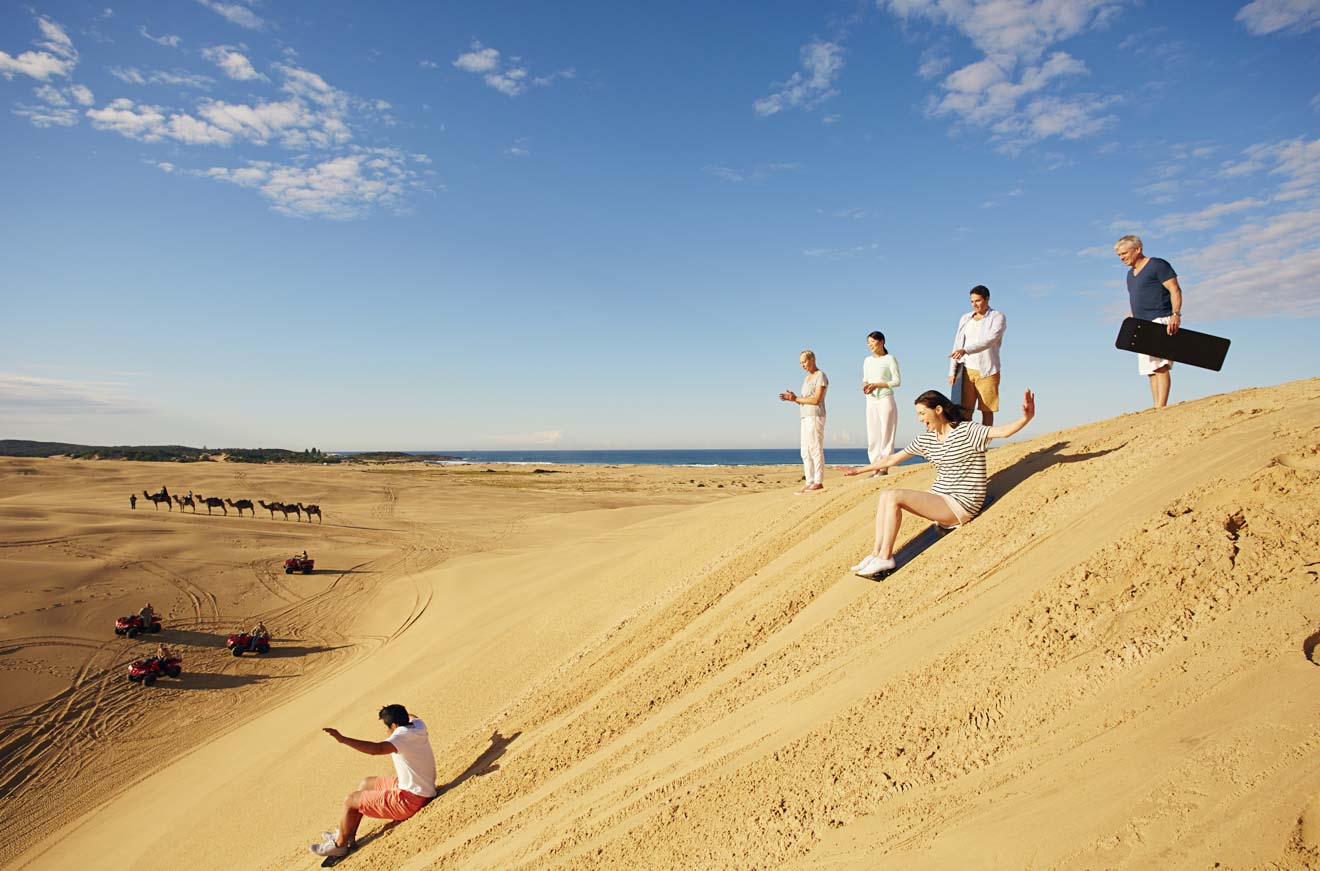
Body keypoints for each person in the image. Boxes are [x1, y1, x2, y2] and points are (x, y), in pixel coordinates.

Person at [844, 388, 1035, 576]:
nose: (920, 419)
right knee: (885, 495)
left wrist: (1025, 418)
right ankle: (876, 553)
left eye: (922, 413)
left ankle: (886, 557)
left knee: (894, 497)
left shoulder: (967, 430)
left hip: (960, 503)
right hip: (939, 497)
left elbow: (1002, 432)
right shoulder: (927, 440)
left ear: (938, 410)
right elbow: (891, 460)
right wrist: (858, 470)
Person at [313, 704, 438, 858]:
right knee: (366, 784)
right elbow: (412, 716)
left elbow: (375, 749)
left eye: (386, 726)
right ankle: (348, 833)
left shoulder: (400, 737)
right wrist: (392, 712)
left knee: (349, 800)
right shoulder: (418, 725)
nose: (386, 731)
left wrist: (343, 739)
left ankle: (339, 845)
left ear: (394, 726)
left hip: (411, 800)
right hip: (421, 788)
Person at [1114, 234, 1183, 409]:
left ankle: (1162, 406)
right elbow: (1137, 300)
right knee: (1150, 370)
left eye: (1124, 253)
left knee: (1161, 365)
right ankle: (1156, 406)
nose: (1122, 257)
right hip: (1142, 324)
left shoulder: (1157, 265)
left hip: (1160, 319)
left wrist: (1176, 314)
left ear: (1138, 249)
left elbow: (1175, 289)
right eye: (1119, 255)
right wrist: (1130, 319)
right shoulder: (1130, 275)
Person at [948, 286, 1007, 425]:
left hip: (988, 370)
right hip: (966, 370)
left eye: (978, 301)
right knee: (964, 410)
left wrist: (966, 350)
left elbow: (990, 341)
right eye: (972, 301)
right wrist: (952, 372)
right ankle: (968, 444)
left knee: (986, 409)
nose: (974, 304)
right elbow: (957, 344)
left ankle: (984, 444)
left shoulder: (997, 317)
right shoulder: (965, 318)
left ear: (987, 299)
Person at [779, 350, 829, 494]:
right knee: (805, 451)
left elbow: (816, 400)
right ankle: (810, 481)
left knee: (815, 448)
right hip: (805, 416)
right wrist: (792, 399)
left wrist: (796, 399)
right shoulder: (807, 379)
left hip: (815, 415)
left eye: (804, 362)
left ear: (812, 359)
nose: (803, 365)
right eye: (800, 363)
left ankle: (818, 481)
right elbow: (804, 401)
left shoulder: (820, 376)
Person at [861, 331, 901, 477]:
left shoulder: (890, 359)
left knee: (886, 433)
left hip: (885, 399)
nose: (870, 345)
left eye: (873, 341)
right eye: (868, 342)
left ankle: (884, 466)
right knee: (873, 435)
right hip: (871, 400)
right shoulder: (867, 361)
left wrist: (877, 385)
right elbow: (865, 379)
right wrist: (865, 385)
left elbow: (897, 381)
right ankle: (875, 466)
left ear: (882, 341)